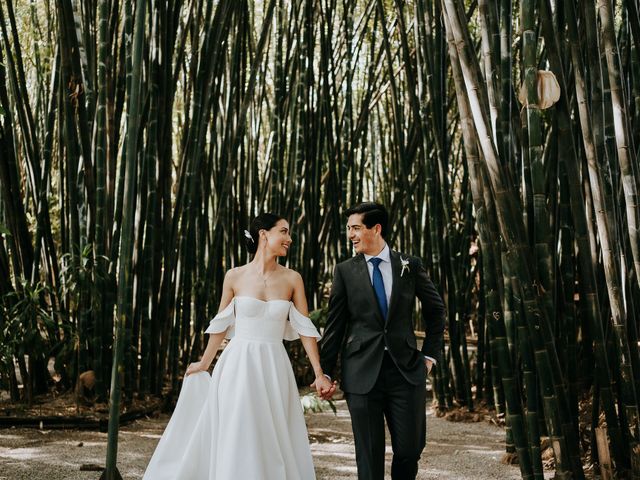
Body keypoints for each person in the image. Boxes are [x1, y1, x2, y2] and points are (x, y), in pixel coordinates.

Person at [143, 212, 335, 479]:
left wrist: (318, 372)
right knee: (239, 429)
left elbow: (304, 329)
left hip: (274, 365)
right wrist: (204, 363)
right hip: (238, 363)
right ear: (263, 235)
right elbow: (221, 324)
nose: (289, 239)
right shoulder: (234, 276)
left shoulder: (293, 279)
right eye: (284, 231)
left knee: (272, 433)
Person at [318, 202, 446, 480]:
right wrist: (325, 371)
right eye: (349, 229)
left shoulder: (409, 266)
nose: (350, 234)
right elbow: (335, 326)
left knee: (410, 450)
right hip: (361, 372)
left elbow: (436, 311)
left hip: (406, 371)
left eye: (356, 228)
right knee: (369, 456)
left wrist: (429, 357)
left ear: (376, 228)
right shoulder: (344, 271)